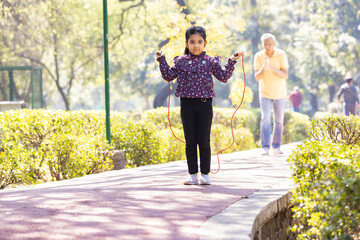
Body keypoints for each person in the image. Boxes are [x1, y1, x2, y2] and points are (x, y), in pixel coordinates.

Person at [155, 26, 243, 185]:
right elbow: (168, 76)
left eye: (200, 42)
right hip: (187, 104)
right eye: (192, 42)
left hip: (205, 105)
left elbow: (223, 77)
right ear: (187, 43)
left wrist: (231, 61)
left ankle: (206, 174)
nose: (196, 45)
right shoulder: (181, 61)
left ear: (205, 43)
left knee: (204, 140)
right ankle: (192, 174)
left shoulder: (210, 61)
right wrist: (161, 59)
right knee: (190, 141)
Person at [254, 33, 289, 156]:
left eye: (269, 44)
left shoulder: (281, 54)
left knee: (279, 121)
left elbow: (285, 75)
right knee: (265, 119)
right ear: (262, 44)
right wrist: (264, 68)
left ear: (274, 44)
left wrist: (272, 69)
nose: (267, 46)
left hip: (279, 93)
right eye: (265, 44)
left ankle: (276, 146)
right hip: (265, 93)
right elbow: (257, 77)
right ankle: (265, 147)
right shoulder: (259, 55)